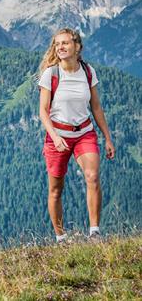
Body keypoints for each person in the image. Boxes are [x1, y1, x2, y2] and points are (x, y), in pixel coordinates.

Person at [38, 28, 115, 242]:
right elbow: (43, 111)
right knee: (55, 189)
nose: (61, 47)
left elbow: (96, 107)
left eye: (65, 43)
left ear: (77, 46)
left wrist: (107, 137)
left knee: (92, 176)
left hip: (84, 133)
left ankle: (94, 232)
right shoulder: (51, 74)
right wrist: (54, 136)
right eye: (57, 44)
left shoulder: (87, 71)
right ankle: (61, 237)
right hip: (57, 135)